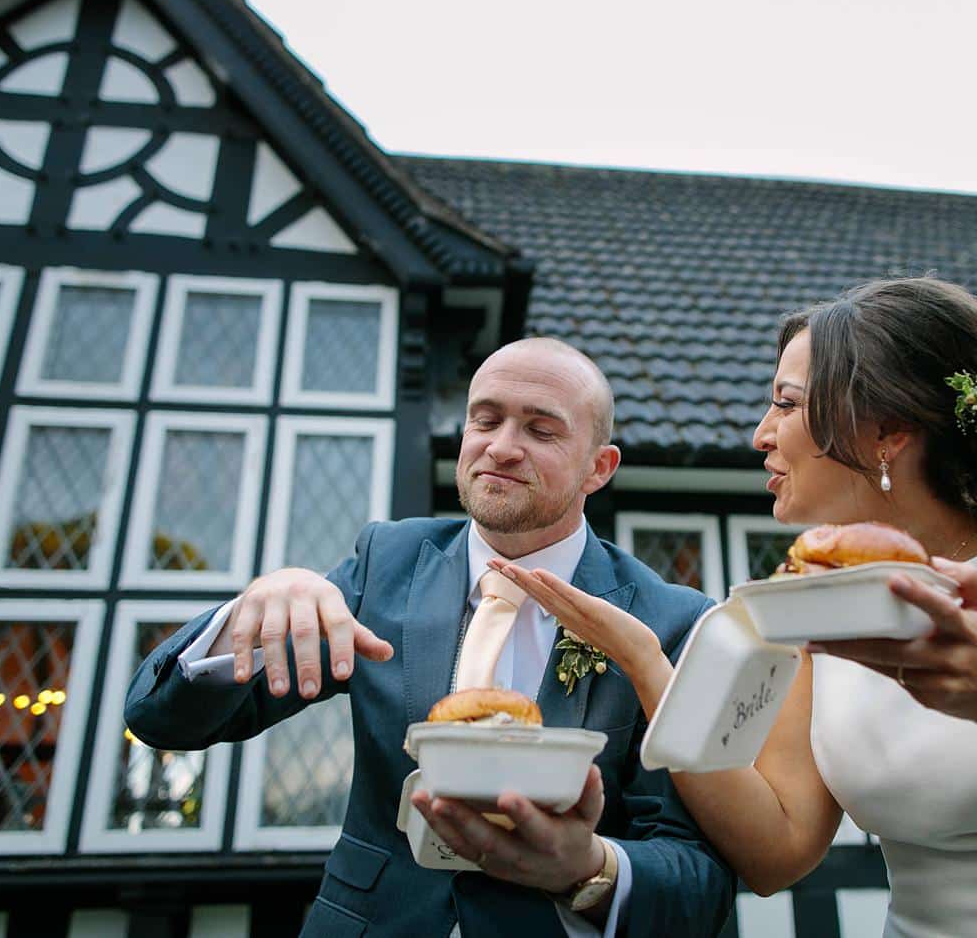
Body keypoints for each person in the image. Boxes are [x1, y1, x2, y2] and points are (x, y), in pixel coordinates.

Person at [498, 278, 977, 938]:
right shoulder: (812, 604)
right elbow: (777, 849)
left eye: (785, 403)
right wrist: (648, 664)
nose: (760, 433)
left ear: (887, 431)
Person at [123, 337, 735, 938]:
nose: (501, 447)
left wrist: (586, 869)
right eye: (485, 420)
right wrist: (247, 617)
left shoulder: (673, 622)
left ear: (598, 468)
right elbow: (162, 722)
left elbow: (699, 882)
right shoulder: (385, 562)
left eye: (540, 431)